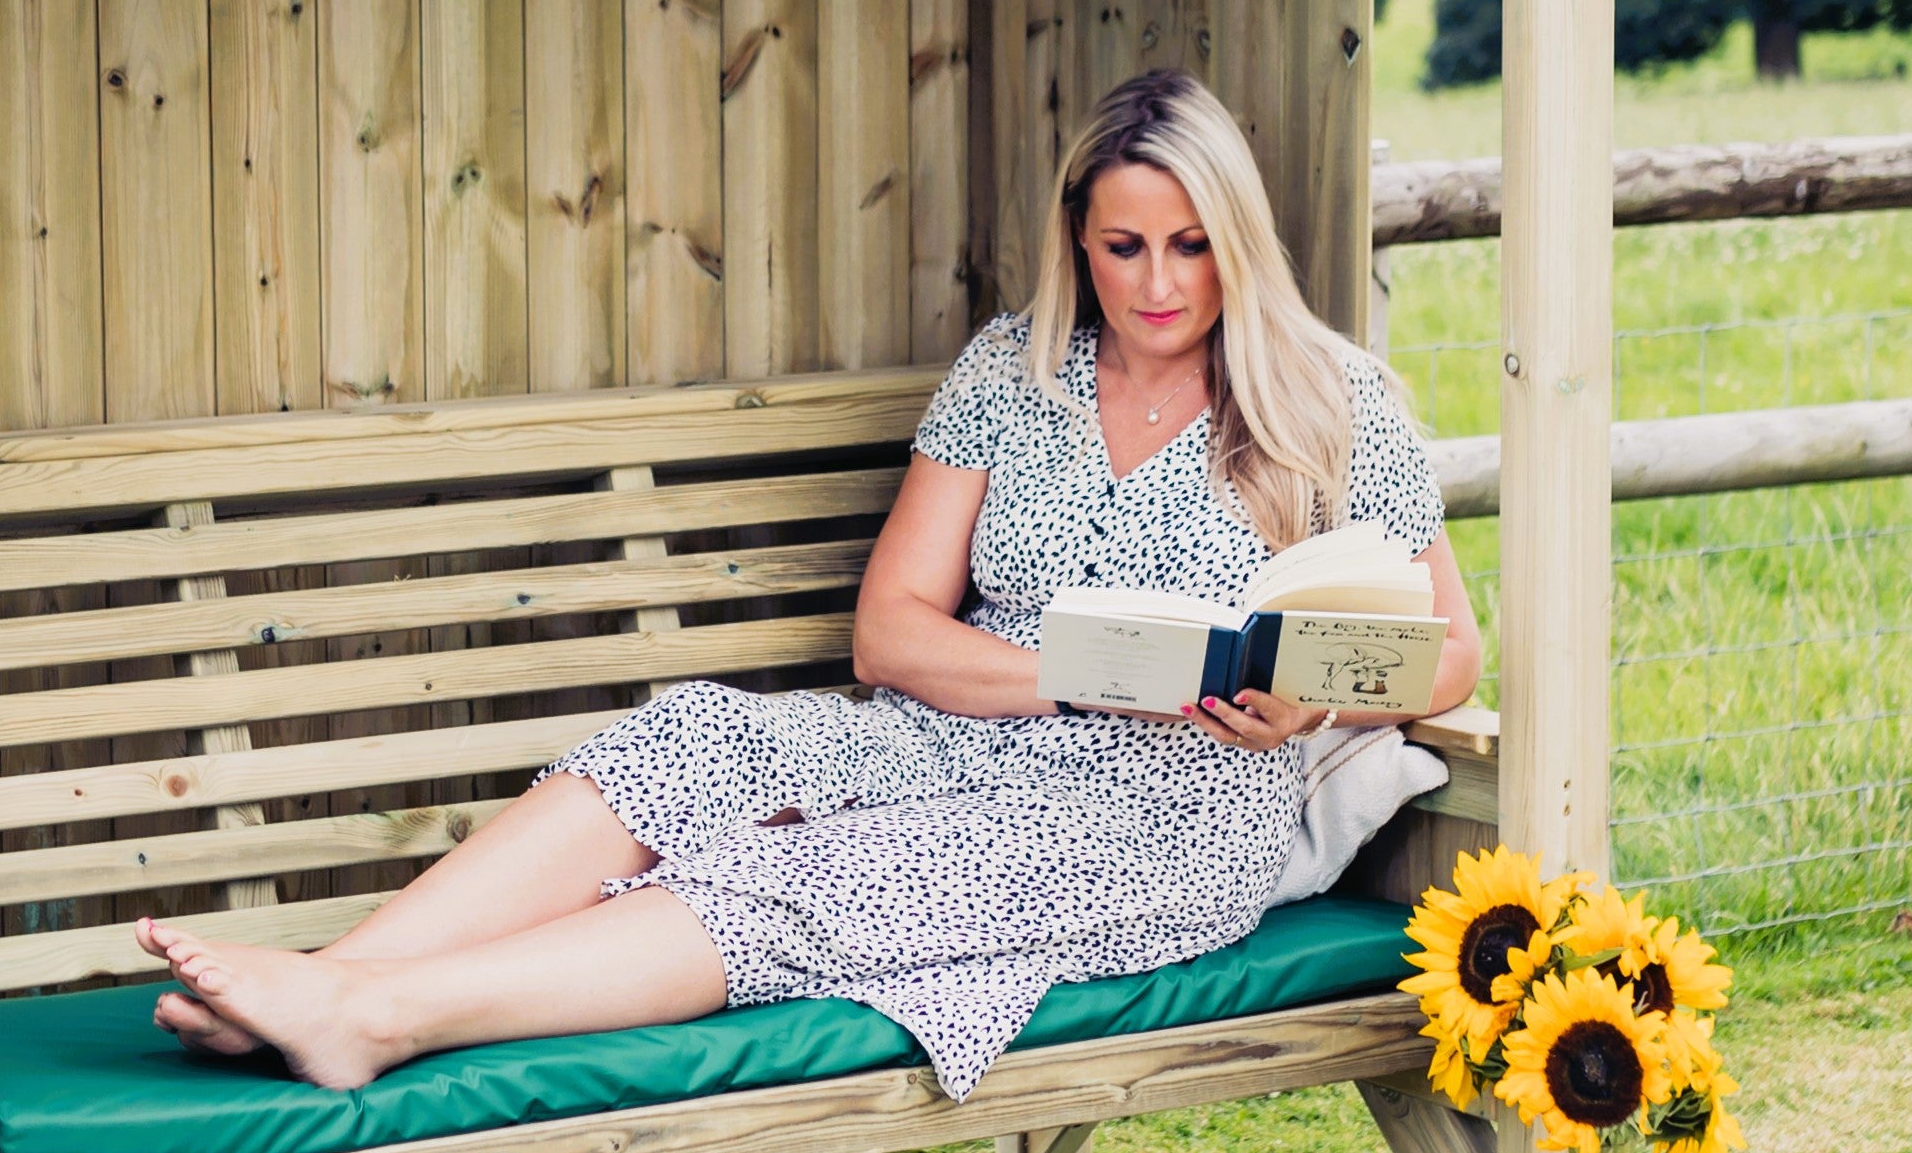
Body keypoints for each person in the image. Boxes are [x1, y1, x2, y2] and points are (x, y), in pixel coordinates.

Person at [137, 67, 1482, 1099]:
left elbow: (1450, 657)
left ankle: (380, 1020)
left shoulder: (1327, 399)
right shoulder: (1014, 376)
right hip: (953, 728)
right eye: (1125, 247)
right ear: (1079, 239)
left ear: (1234, 239)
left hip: (1163, 811)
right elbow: (892, 635)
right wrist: (1081, 675)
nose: (1159, 285)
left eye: (1191, 247)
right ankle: (329, 980)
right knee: (703, 734)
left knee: (846, 869)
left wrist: (1304, 708)